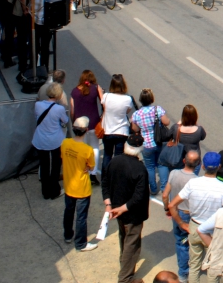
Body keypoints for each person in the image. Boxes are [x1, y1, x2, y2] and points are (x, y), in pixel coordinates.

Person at [169, 151, 223, 283]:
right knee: (213, 266)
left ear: (203, 166)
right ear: (219, 167)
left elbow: (172, 205)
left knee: (194, 266)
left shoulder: (193, 183)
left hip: (194, 226)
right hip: (213, 231)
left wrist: (181, 224)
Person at [104, 132, 151, 283]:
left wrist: (109, 205)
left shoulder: (114, 161)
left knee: (123, 238)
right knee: (132, 244)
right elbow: (139, 196)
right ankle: (125, 278)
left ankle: (123, 264)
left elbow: (105, 182)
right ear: (140, 149)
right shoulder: (139, 169)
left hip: (116, 210)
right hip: (132, 214)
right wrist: (123, 208)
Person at [61, 116, 99, 252]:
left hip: (69, 185)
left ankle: (67, 235)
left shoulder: (65, 143)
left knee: (68, 211)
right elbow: (91, 166)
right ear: (86, 130)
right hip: (82, 187)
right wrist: (87, 167)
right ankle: (81, 243)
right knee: (81, 217)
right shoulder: (87, 150)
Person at [164, 150, 200, 283]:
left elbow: (164, 194)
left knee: (181, 242)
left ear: (184, 161)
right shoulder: (197, 181)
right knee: (190, 242)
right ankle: (186, 271)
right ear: (197, 165)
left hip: (176, 212)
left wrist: (167, 208)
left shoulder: (173, 173)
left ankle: (183, 272)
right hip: (189, 215)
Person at [130, 88, 171, 195]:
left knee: (150, 166)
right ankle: (163, 188)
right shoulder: (158, 110)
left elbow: (135, 129)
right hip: (159, 142)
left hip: (146, 145)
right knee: (162, 164)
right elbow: (167, 122)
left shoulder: (136, 114)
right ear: (151, 99)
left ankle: (153, 188)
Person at [33, 82, 69, 199]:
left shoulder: (38, 105)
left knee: (44, 165)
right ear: (58, 95)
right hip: (55, 140)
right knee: (55, 165)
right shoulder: (59, 109)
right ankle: (54, 190)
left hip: (40, 139)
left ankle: (45, 191)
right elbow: (65, 121)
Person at [102, 74, 137, 179]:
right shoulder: (127, 99)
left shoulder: (106, 96)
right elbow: (127, 111)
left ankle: (105, 177)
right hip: (121, 131)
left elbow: (104, 108)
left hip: (107, 130)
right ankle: (116, 177)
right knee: (119, 157)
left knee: (107, 155)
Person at [70, 70, 103, 176]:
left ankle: (84, 170)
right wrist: (102, 117)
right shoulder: (96, 88)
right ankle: (93, 171)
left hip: (80, 124)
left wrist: (73, 121)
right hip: (94, 122)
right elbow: (103, 102)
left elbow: (72, 110)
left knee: (82, 147)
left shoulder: (74, 92)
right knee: (94, 147)